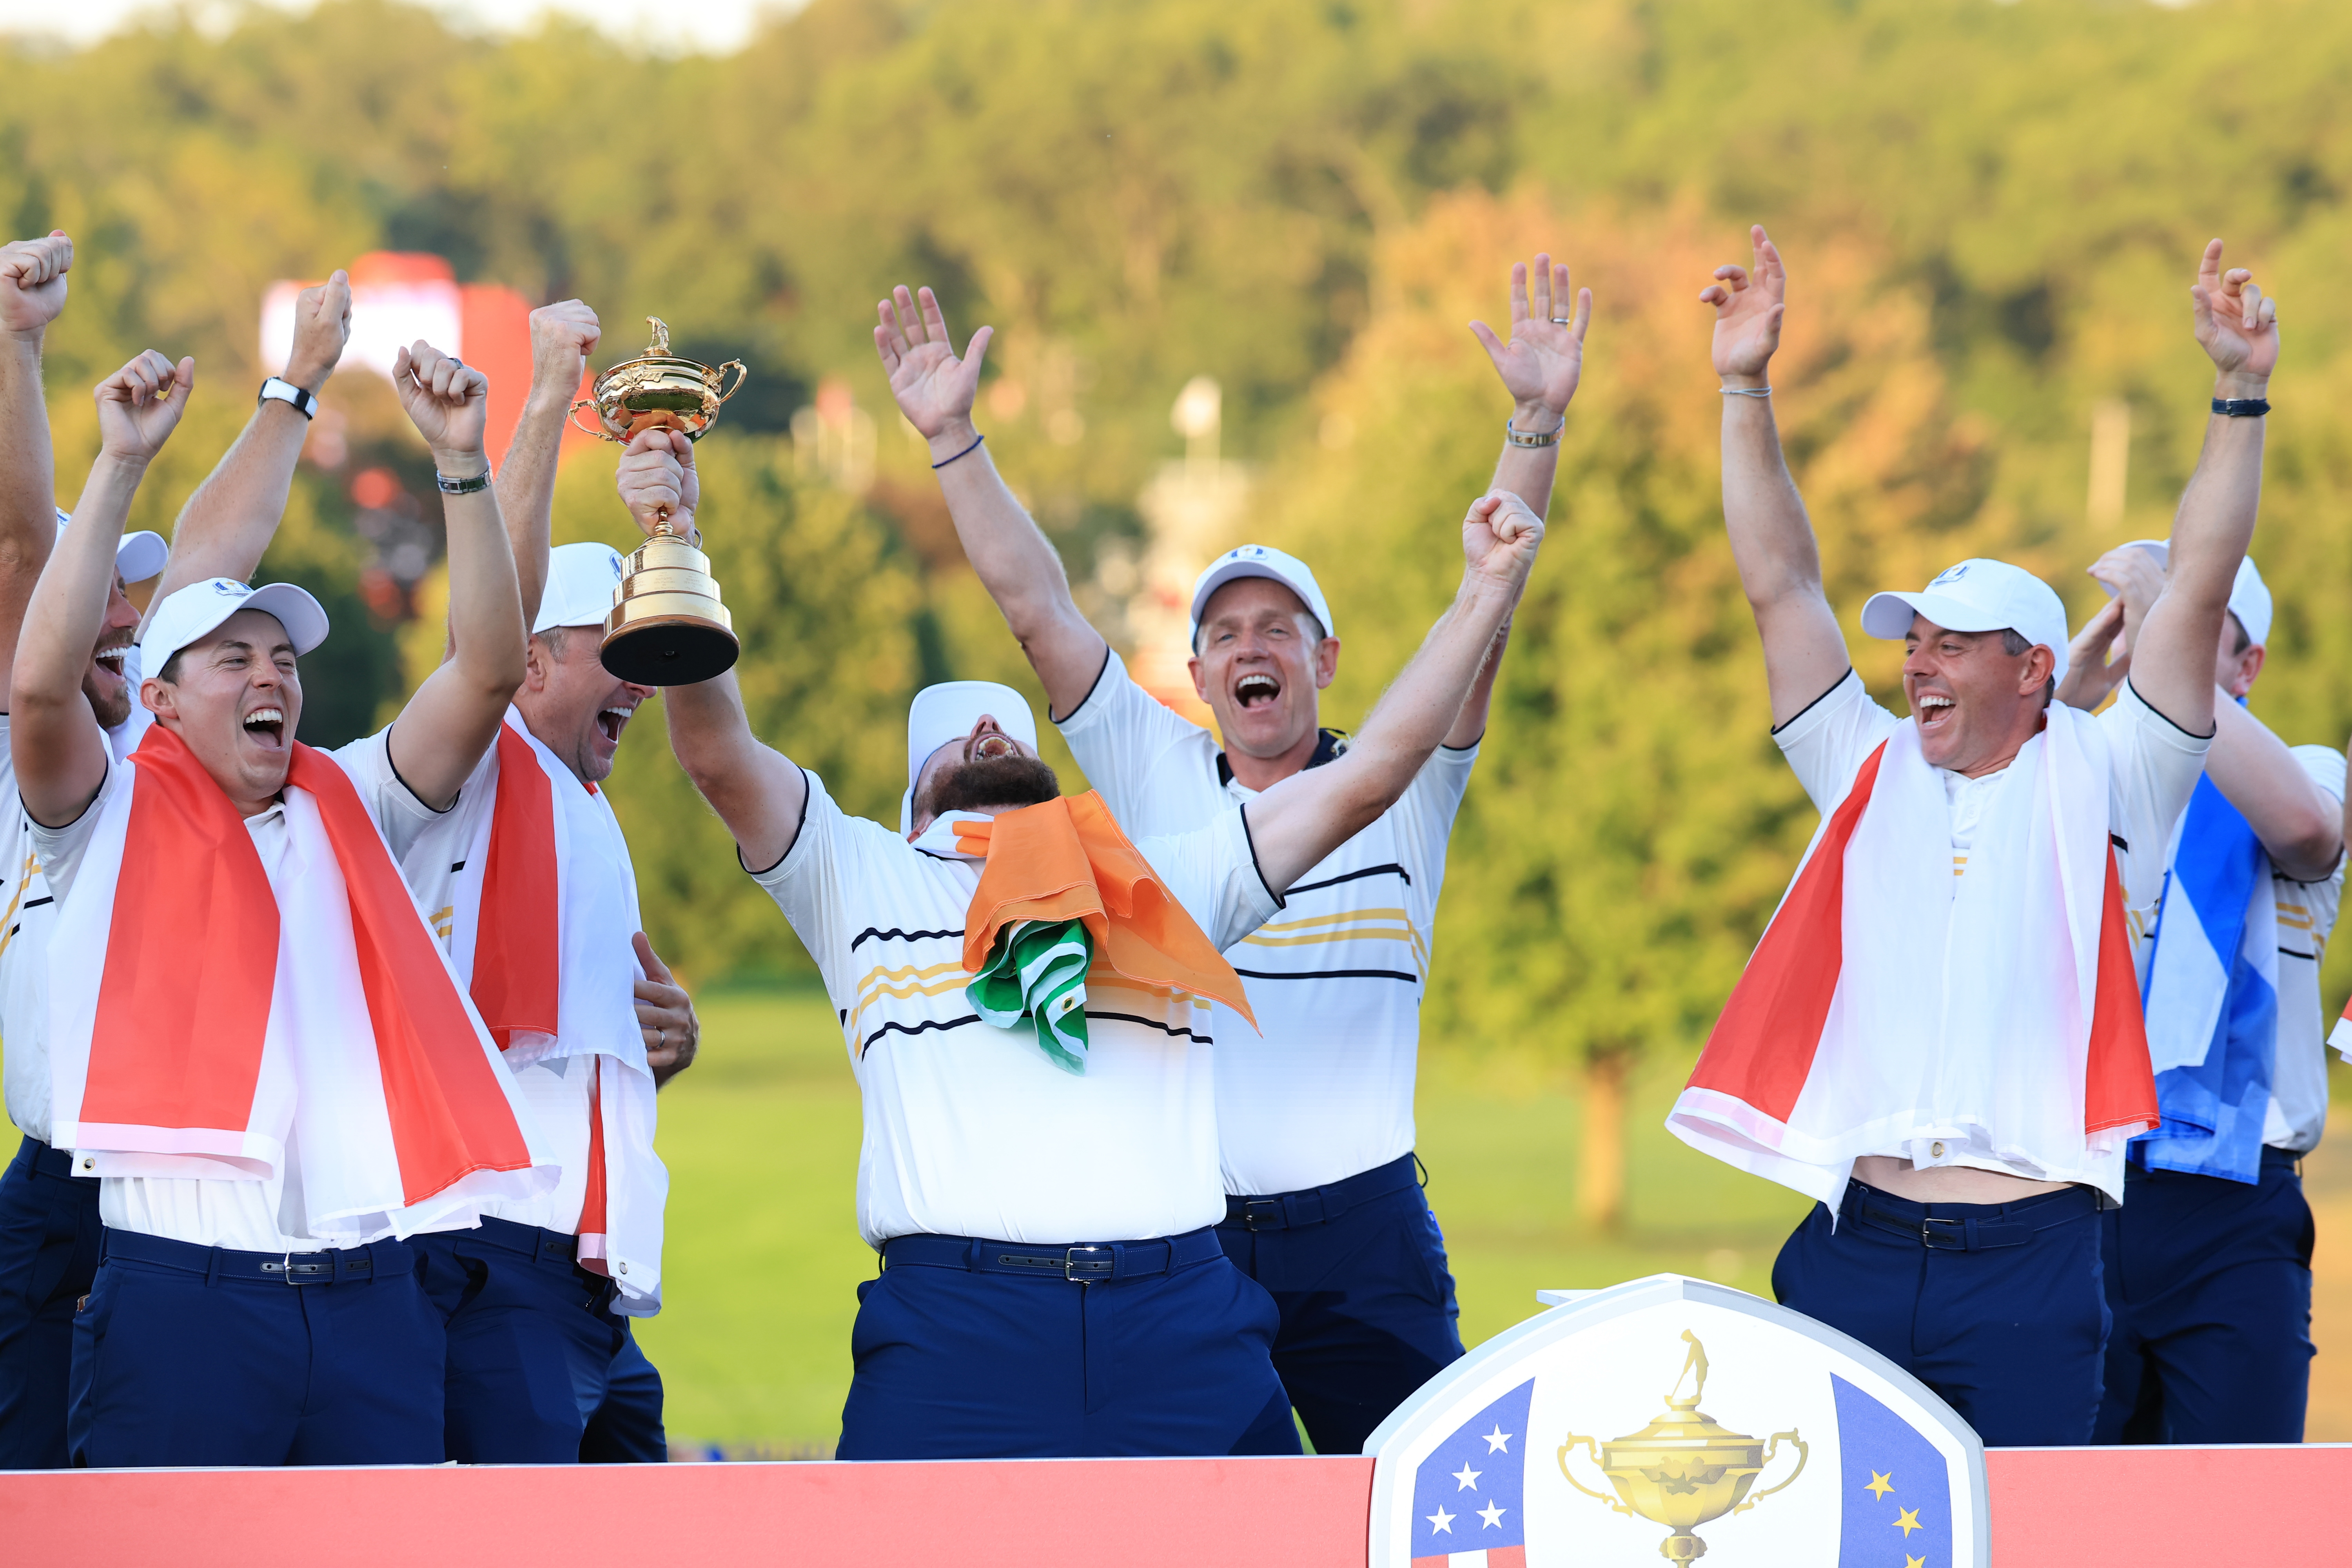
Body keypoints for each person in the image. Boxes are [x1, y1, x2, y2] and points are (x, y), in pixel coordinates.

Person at [615, 427, 1543, 1460]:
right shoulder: (856, 875)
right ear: (911, 803)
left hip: (1181, 1319)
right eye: (957, 740)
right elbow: (715, 750)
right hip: (956, 1330)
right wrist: (672, 536)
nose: (990, 739)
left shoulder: (1159, 879)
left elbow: (1373, 776)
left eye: (1009, 733)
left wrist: (1485, 592)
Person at [864, 258, 1587, 1453]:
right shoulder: (1148, 766)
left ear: (1327, 658)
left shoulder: (1401, 779)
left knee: (1417, 1496)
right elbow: (1035, 604)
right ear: (1196, 676)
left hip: (1365, 1235)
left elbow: (1488, 597)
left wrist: (1536, 425)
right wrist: (952, 441)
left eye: (1278, 631)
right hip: (1188, 1241)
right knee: (1203, 1521)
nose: (1253, 648)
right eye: (1225, 634)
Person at [1666, 229, 2275, 1446]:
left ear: (2034, 670)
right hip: (1856, 1244)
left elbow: (2199, 585)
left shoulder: (2115, 773)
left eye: (1951, 641)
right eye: (1912, 639)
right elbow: (1781, 585)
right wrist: (1744, 385)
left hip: (2035, 1256)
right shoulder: (1864, 760)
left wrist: (2238, 393)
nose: (1916, 660)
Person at [13, 334, 555, 1468]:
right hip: (182, 1303)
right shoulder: (97, 815)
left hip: (371, 1301)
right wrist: (115, 467)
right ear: (156, 701)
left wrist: (462, 465)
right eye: (232, 659)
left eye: (284, 658)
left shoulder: (352, 795)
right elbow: (38, 682)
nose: (271, 676)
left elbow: (489, 671)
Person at [0, 232, 358, 1468]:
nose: (128, 611)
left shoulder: (172, 745)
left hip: (207, 1206)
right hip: (72, 1191)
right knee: (47, 1504)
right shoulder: (41, 750)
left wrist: (294, 386)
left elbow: (219, 566)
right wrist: (19, 343)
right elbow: (19, 557)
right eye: (102, 586)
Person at [398, 300, 694, 1464]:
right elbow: (494, 607)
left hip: (596, 1277)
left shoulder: (585, 810)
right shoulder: (484, 760)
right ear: (527, 665)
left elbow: (579, 1029)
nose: (644, 680)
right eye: (612, 652)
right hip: (498, 1254)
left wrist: (662, 1046)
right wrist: (541, 396)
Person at [2056, 542, 2341, 1443]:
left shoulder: (2309, 768)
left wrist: (2166, 662)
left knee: (2239, 1513)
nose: (2170, 641)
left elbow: (2306, 833)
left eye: (2198, 626)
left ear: (2248, 662)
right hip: (2076, 1191)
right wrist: (2061, 698)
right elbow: (1972, 827)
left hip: (2234, 1208)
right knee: (2072, 1508)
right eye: (2157, 623)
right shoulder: (2085, 764)